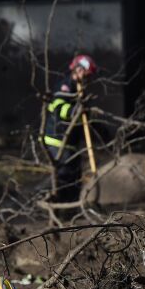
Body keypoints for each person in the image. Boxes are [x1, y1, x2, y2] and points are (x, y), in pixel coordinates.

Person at [43, 54, 97, 201]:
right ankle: (50, 201)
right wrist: (75, 110)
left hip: (71, 142)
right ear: (78, 69)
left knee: (75, 175)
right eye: (86, 75)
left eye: (89, 77)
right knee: (64, 174)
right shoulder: (65, 86)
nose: (87, 79)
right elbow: (59, 108)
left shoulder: (79, 91)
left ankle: (72, 209)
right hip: (57, 139)